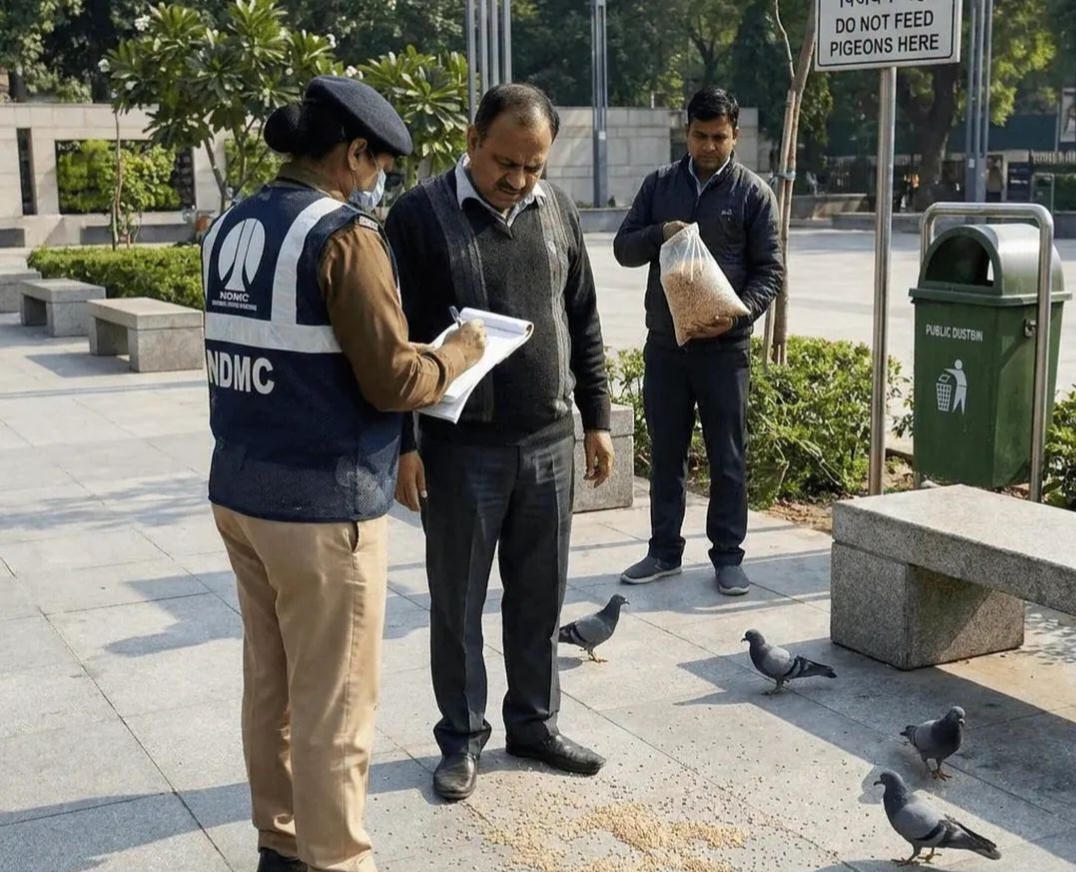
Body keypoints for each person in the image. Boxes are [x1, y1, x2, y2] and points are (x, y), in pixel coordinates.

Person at [201, 75, 486, 872]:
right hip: (324, 509)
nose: (379, 180)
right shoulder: (344, 236)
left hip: (242, 492)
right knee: (337, 706)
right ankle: (338, 861)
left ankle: (281, 844)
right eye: (379, 165)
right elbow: (392, 379)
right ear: (353, 153)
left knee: (272, 685)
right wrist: (458, 353)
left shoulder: (232, 224)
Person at [384, 82, 615, 802]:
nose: (518, 180)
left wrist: (597, 418)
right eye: (505, 163)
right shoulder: (418, 217)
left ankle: (535, 724)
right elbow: (394, 341)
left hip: (547, 440)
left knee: (540, 595)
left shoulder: (559, 211)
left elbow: (583, 317)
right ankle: (461, 738)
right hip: (459, 449)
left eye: (533, 166)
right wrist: (405, 444)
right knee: (457, 602)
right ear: (472, 140)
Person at [612, 87, 783, 596]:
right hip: (666, 346)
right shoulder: (659, 185)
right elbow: (623, 248)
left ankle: (728, 557)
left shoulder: (753, 194)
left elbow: (770, 272)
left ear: (735, 136)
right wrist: (659, 233)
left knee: (727, 456)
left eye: (719, 137)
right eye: (700, 136)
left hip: (725, 351)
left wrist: (735, 317)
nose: (709, 146)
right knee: (666, 453)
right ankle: (663, 551)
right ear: (685, 132)